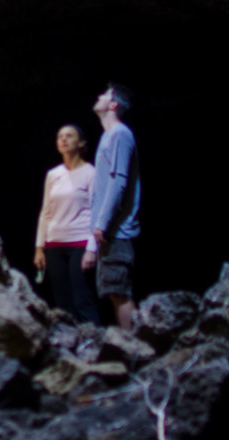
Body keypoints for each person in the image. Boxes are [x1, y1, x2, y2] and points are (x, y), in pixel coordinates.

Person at [82, 84, 141, 330]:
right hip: (108, 231)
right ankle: (132, 346)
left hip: (117, 230)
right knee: (114, 292)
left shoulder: (119, 134)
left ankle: (136, 347)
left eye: (104, 95)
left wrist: (103, 224)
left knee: (119, 291)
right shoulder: (108, 136)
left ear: (113, 104)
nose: (98, 96)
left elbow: (118, 182)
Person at [33, 123, 98, 323]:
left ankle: (95, 344)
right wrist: (39, 248)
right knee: (62, 303)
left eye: (69, 136)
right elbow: (46, 211)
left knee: (82, 300)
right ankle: (70, 347)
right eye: (60, 136)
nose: (63, 139)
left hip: (79, 243)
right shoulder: (53, 175)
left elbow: (97, 211)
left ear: (81, 143)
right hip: (54, 244)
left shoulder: (90, 172)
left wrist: (92, 248)